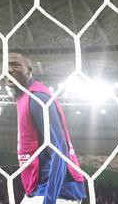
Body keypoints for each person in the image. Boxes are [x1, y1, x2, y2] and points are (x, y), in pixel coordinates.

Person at [7, 51, 86, 204]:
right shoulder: (24, 96)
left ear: (29, 70)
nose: (9, 70)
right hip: (40, 188)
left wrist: (49, 199)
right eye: (6, 66)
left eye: (15, 65)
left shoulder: (38, 98)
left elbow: (59, 149)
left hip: (59, 188)